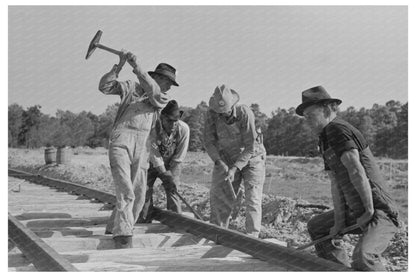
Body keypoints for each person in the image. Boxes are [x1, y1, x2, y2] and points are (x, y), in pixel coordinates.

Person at [296, 85, 399, 271]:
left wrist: (368, 211)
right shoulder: (324, 138)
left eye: (310, 116)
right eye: (305, 118)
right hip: (356, 210)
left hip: (379, 210)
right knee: (318, 227)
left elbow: (356, 171)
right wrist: (338, 222)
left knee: (363, 257)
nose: (307, 122)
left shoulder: (337, 129)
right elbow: (336, 183)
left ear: (327, 109)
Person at [99, 50, 179, 248]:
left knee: (139, 193)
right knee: (126, 189)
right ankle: (123, 233)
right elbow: (105, 87)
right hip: (122, 140)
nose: (170, 86)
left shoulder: (161, 97)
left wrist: (137, 66)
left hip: (142, 145)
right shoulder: (130, 87)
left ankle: (115, 226)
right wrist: (119, 65)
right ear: (158, 77)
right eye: (168, 81)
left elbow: (153, 92)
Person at [204, 84, 266, 238]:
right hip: (226, 158)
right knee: (221, 196)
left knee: (252, 199)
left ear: (232, 105)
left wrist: (235, 168)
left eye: (226, 112)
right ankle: (217, 233)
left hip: (252, 159)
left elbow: (250, 146)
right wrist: (219, 162)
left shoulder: (245, 113)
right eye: (221, 114)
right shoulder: (211, 114)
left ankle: (252, 237)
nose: (224, 116)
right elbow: (209, 142)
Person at [138, 100, 190, 223]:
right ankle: (144, 218)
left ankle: (176, 221)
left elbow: (179, 155)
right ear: (162, 118)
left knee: (173, 188)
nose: (172, 125)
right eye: (169, 121)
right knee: (144, 189)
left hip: (172, 162)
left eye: (175, 121)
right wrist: (163, 173)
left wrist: (170, 176)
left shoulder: (183, 129)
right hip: (150, 162)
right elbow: (153, 153)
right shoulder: (152, 128)